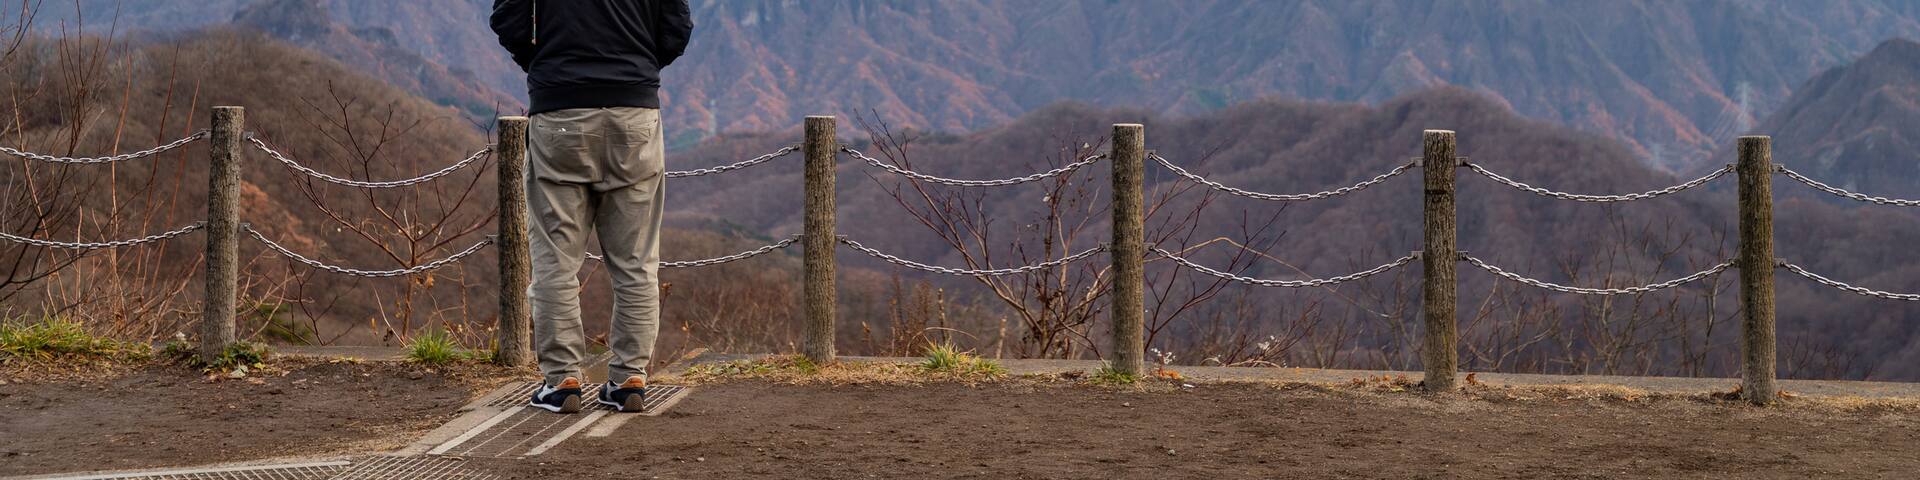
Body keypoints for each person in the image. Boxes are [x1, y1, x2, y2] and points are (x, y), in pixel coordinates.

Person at [490, 0, 694, 414]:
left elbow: (508, 18)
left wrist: (545, 63)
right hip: (635, 114)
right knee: (636, 262)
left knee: (555, 260)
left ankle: (562, 379)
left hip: (559, 110)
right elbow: (676, 28)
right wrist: (635, 65)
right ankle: (629, 379)